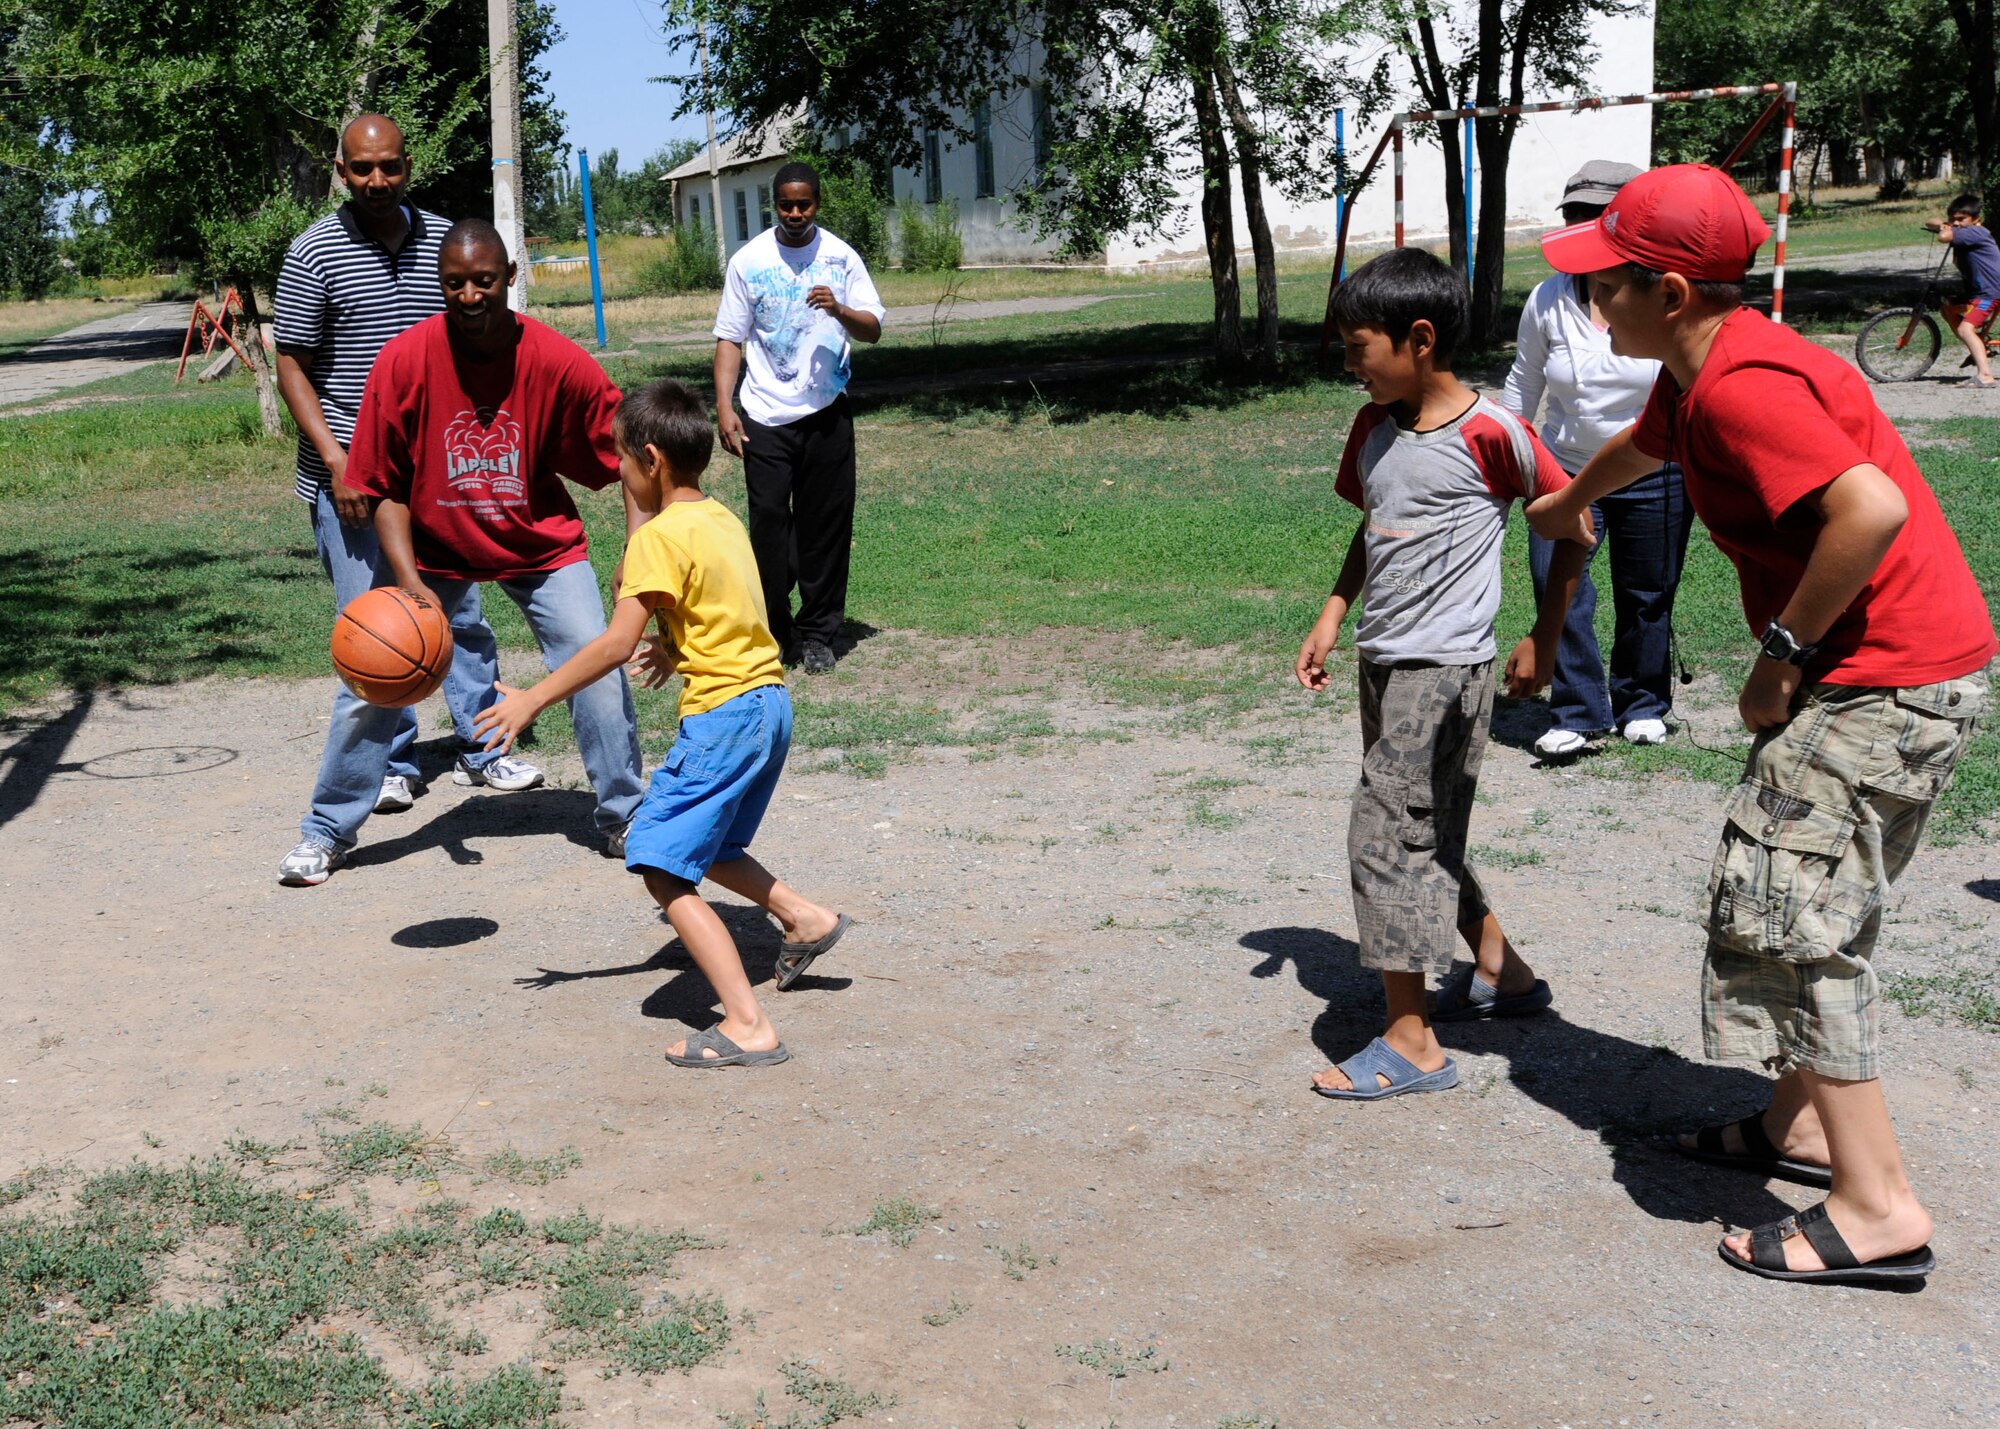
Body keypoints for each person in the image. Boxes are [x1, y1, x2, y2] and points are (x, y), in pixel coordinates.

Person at [1529, 163, 1996, 1284]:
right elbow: (1644, 445)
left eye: (1611, 281)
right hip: (1900, 670)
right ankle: (1793, 1123)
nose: (1593, 297)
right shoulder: (1698, 371)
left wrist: (1776, 659)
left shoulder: (1739, 385)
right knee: (1810, 897)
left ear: (1672, 292)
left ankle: (1877, 1206)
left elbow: (1870, 509)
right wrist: (1568, 499)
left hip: (1875, 681)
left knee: (1792, 924)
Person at [473, 378, 850, 1067]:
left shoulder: (657, 538)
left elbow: (613, 644)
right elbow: (732, 608)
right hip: (768, 705)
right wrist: (680, 648)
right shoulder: (720, 518)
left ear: (652, 459)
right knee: (710, 845)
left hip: (724, 720)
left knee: (657, 861)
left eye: (618, 460)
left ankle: (746, 1023)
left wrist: (532, 698)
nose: (615, 472)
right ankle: (804, 917)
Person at [1295, 248, 1593, 1099]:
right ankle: (1504, 973)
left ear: (1418, 340)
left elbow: (1574, 527)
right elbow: (1377, 525)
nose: (1349, 364)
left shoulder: (1493, 432)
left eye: (1358, 348)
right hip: (1384, 661)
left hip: (1446, 668)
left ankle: (1411, 1039)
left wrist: (1543, 634)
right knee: (1427, 827)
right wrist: (1333, 609)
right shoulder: (1373, 427)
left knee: (1387, 832)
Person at [286, 218, 650, 884]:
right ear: (440, 284)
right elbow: (386, 485)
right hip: (432, 549)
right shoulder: (405, 360)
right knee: (373, 671)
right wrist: (408, 584)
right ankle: (327, 829)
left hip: (539, 545)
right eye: (454, 283)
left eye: (484, 280)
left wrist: (636, 549)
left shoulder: (555, 360)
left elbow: (631, 456)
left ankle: (625, 815)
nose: (470, 295)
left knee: (594, 657)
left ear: (511, 278)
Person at [275, 115, 540, 885]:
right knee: (375, 642)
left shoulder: (444, 242)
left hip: (436, 475)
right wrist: (336, 460)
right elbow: (292, 360)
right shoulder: (314, 251)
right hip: (353, 483)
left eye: (389, 166)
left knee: (457, 618)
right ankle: (342, 813)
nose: (377, 181)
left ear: (408, 164)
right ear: (341, 171)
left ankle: (484, 748)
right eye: (362, 169)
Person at [1502, 160, 1695, 758]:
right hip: (1565, 470)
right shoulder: (1547, 298)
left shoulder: (1663, 292)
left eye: (1597, 215)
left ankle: (1641, 703)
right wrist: (1514, 461)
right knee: (1557, 588)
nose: (1583, 226)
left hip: (1655, 470)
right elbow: (1523, 384)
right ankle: (1578, 710)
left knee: (1648, 591)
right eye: (1574, 215)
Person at [713, 160, 885, 675]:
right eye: (785, 204)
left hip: (827, 412)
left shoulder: (839, 257)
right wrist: (724, 406)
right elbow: (729, 338)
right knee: (769, 525)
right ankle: (775, 627)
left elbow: (873, 328)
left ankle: (818, 633)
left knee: (825, 527)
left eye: (803, 203)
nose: (794, 212)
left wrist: (839, 310)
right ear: (775, 204)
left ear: (817, 202)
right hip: (764, 414)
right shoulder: (749, 261)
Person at [1925, 192, 2000, 388]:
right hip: (1978, 292)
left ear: (1976, 220)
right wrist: (1943, 223)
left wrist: (1946, 228)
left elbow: (1943, 236)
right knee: (1948, 308)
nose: (1956, 223)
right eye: (1952, 219)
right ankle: (1978, 346)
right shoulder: (1963, 231)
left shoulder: (1976, 232)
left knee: (1965, 329)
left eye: (1961, 219)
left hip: (1992, 292)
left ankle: (1985, 376)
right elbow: (1929, 222)